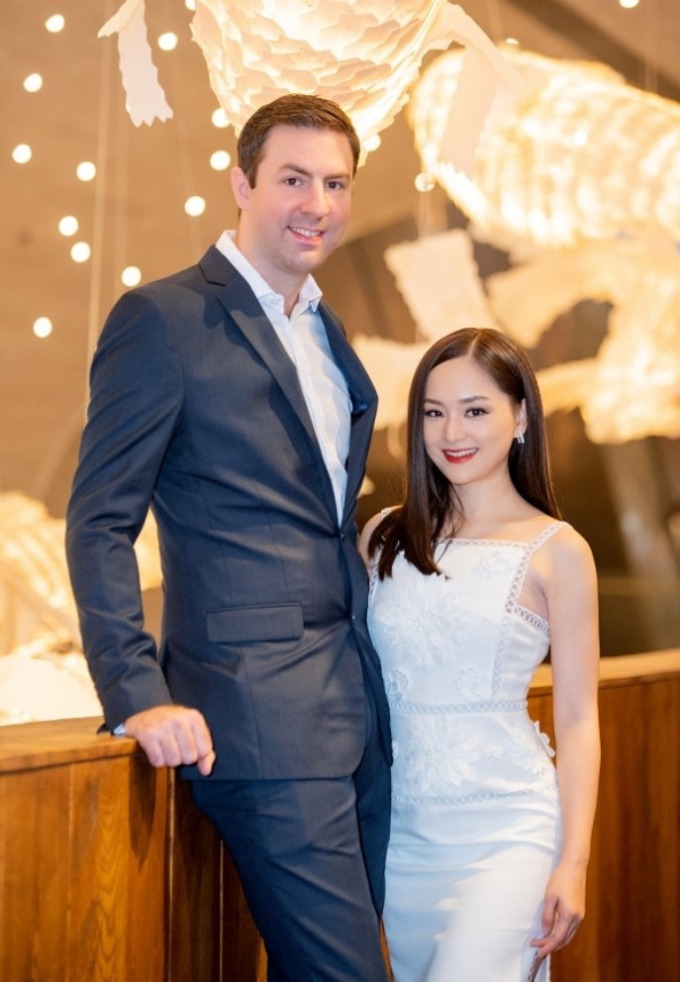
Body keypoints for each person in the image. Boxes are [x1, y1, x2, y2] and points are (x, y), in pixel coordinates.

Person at [66, 93, 391, 982]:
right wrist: (137, 692)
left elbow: (317, 514)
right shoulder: (163, 320)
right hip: (255, 717)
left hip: (355, 709)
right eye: (293, 179)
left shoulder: (325, 329)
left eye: (336, 183)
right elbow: (99, 519)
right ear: (242, 184)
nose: (316, 204)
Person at [359, 327, 600, 982]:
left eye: (475, 410)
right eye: (434, 412)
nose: (452, 432)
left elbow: (579, 719)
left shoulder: (558, 550)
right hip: (403, 837)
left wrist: (573, 863)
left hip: (508, 831)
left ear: (520, 418)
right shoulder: (383, 536)